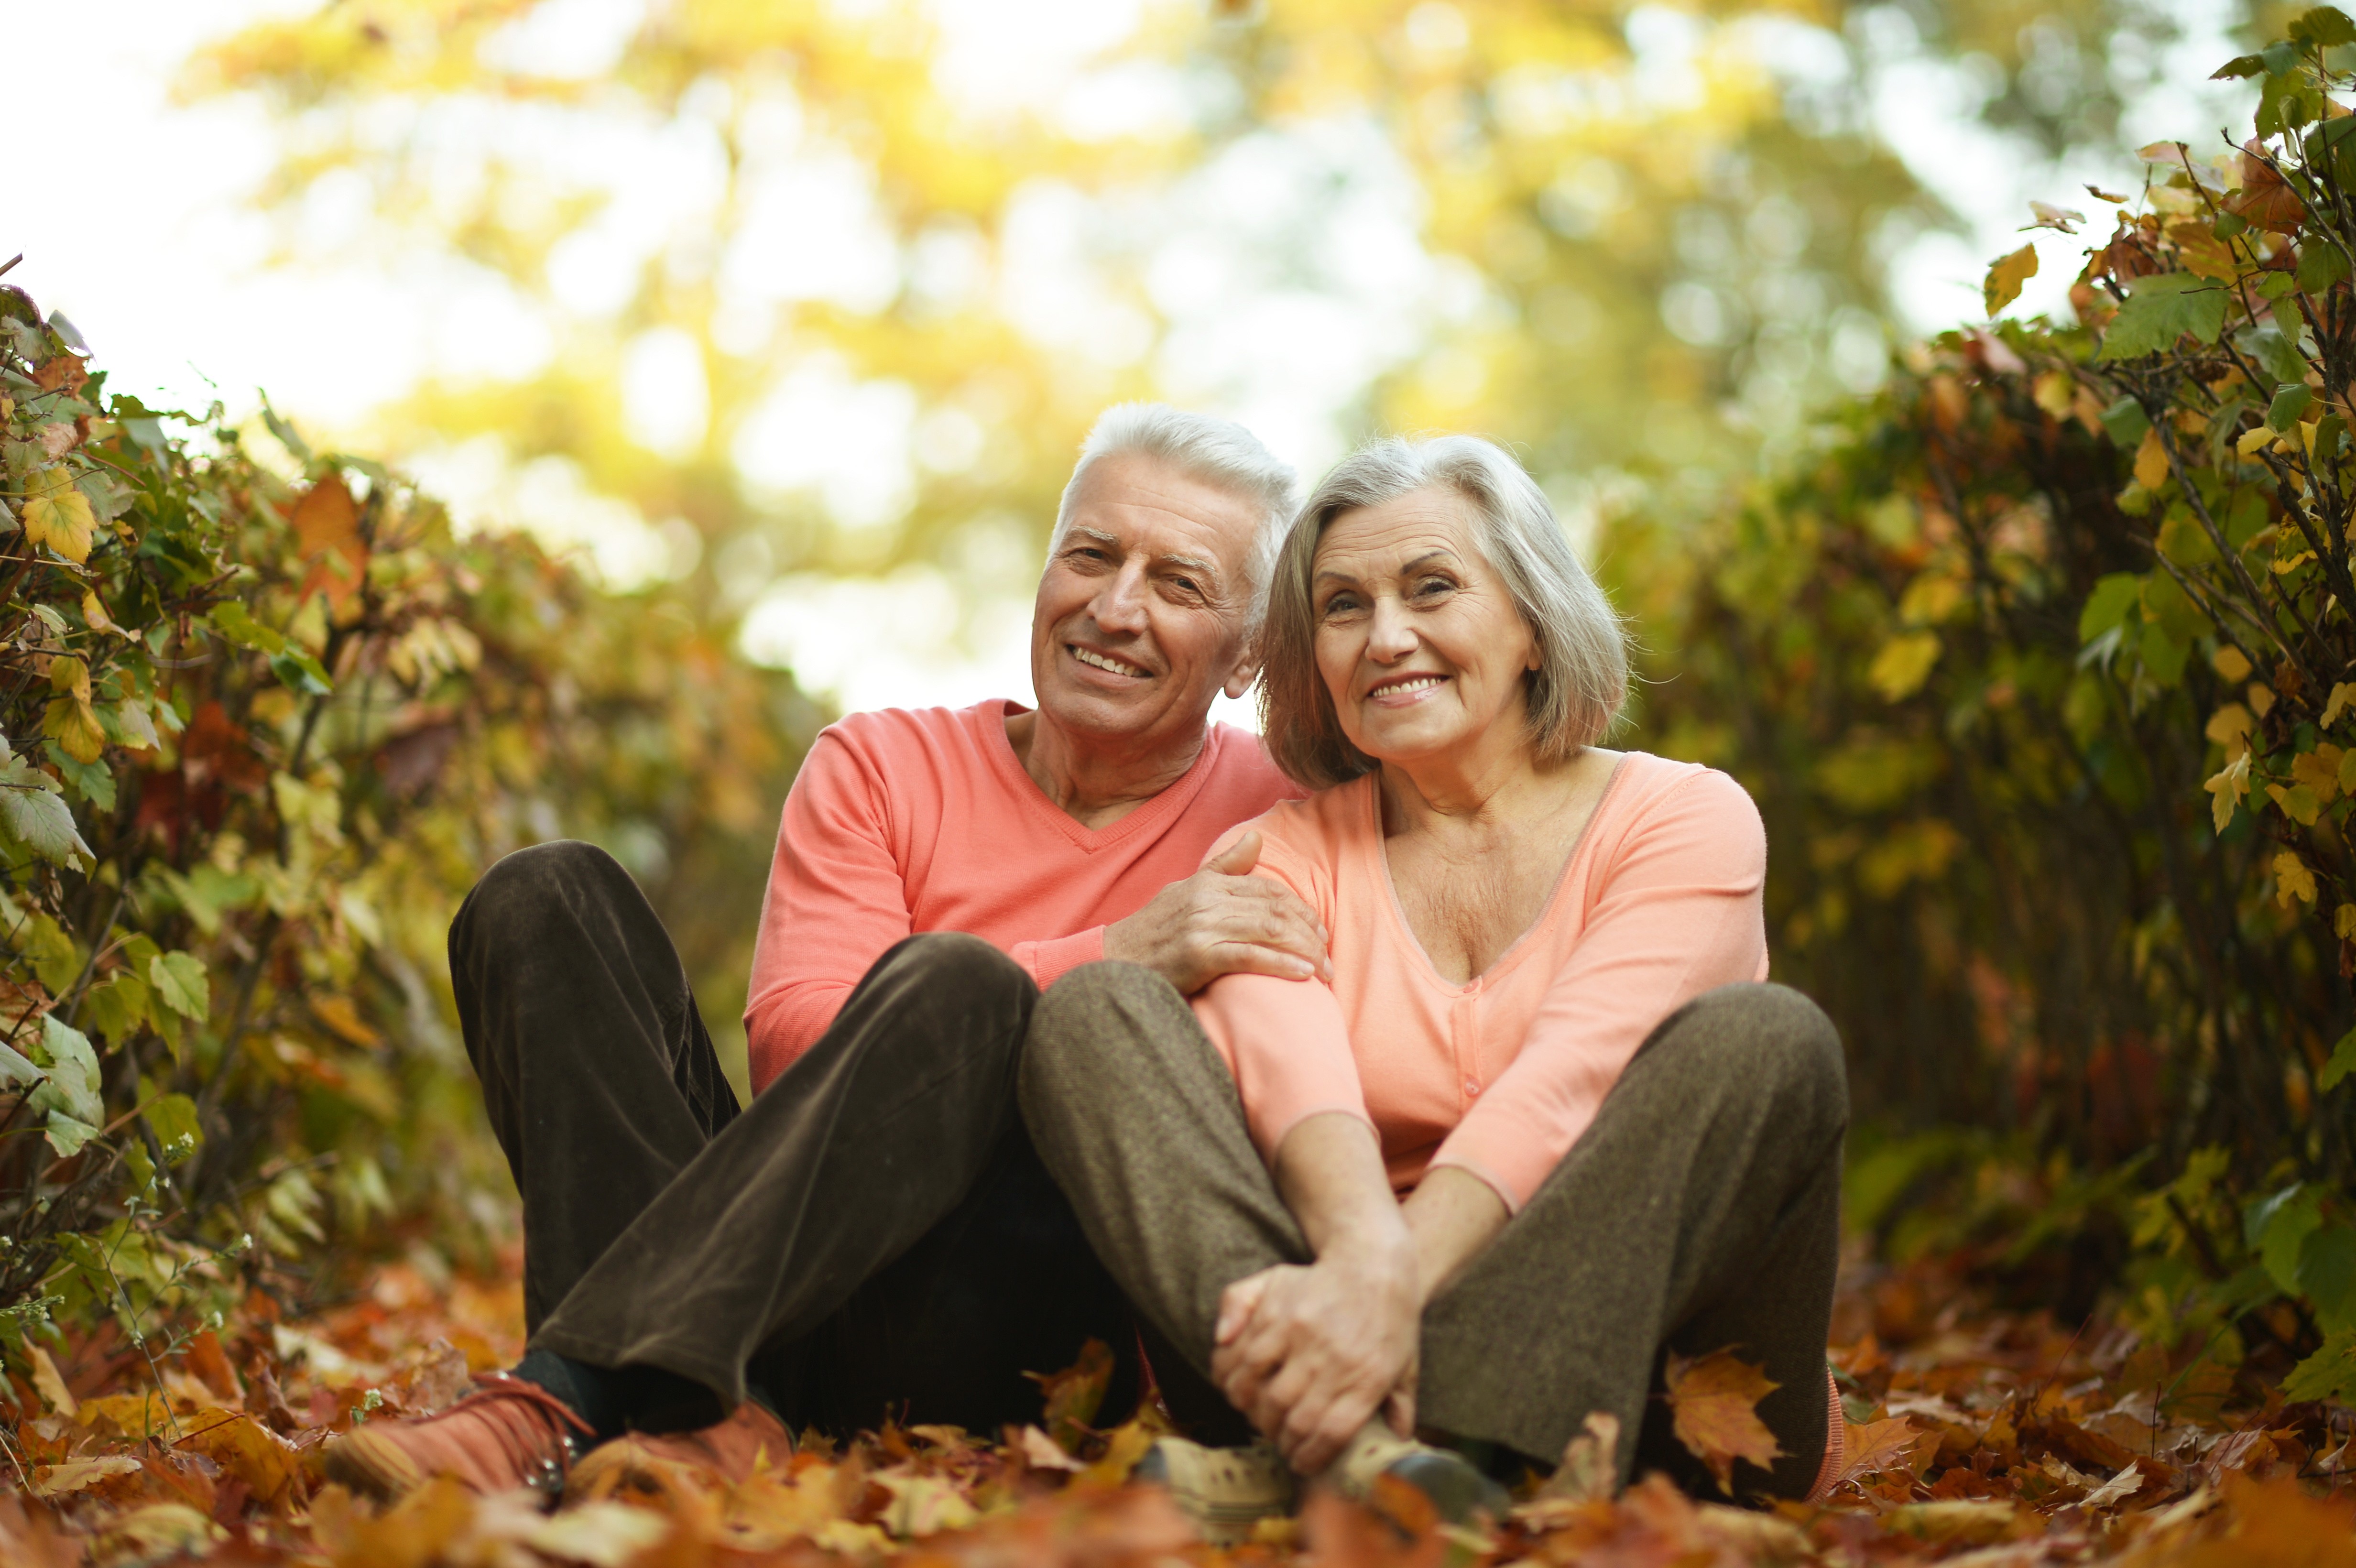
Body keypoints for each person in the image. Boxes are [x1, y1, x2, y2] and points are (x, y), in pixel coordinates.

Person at [326, 404, 1330, 1502]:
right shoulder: (882, 762)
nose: (1115, 604)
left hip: (1019, 1324)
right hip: (789, 1281)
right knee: (544, 896)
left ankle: (566, 1399)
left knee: (962, 976)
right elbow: (799, 1048)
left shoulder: (1289, 811)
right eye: (1089, 555)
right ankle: (705, 1415)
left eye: (1178, 583)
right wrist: (1115, 948)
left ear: (1245, 659)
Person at [1021, 435, 1849, 1531]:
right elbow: (1299, 1084)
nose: (1386, 636)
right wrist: (1366, 1259)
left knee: (1768, 1040)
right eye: (1342, 605)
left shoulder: (1683, 818)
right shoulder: (1283, 851)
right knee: (1092, 1009)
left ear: (1531, 620)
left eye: (1431, 587)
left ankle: (1381, 1452)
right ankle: (1385, 1463)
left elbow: (1566, 1079)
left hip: (1662, 1399)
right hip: (1326, 1357)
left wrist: (1382, 1295)